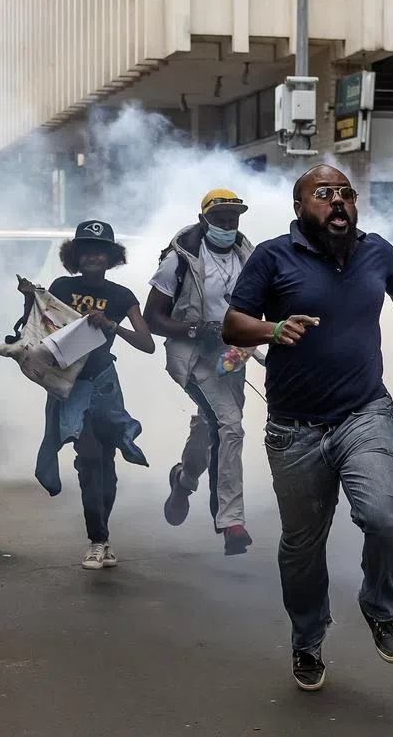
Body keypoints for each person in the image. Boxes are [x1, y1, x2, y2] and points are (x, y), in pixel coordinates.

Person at [222, 164, 393, 692]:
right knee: (302, 547)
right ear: (300, 207)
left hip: (364, 414)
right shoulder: (272, 256)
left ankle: (378, 605)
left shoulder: (376, 250)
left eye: (345, 194)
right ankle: (307, 641)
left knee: (387, 519)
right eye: (323, 194)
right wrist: (273, 327)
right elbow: (232, 323)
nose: (337, 202)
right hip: (294, 431)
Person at [35, 220, 156, 571]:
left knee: (106, 464)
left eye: (100, 250)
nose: (93, 256)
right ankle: (97, 540)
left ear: (111, 257)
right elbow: (40, 328)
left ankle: (103, 538)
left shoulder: (121, 297)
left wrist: (111, 325)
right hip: (69, 388)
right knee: (88, 459)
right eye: (86, 250)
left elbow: (147, 344)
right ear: (76, 256)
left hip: (104, 388)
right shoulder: (60, 286)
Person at [142, 189, 257, 556]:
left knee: (212, 424)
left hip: (233, 355)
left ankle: (185, 478)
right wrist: (196, 329)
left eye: (233, 218)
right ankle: (231, 521)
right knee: (231, 424)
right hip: (192, 357)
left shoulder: (248, 256)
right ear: (205, 218)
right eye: (220, 218)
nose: (228, 224)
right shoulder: (179, 259)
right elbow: (152, 318)